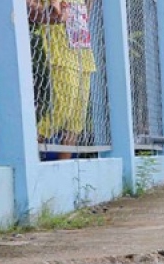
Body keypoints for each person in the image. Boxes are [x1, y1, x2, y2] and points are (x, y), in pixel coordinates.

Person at [30, 0, 96, 160]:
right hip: (60, 55)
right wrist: (51, 13)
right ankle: (28, 156)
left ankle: (65, 173)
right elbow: (29, 6)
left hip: (82, 54)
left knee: (76, 121)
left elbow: (86, 12)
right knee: (61, 110)